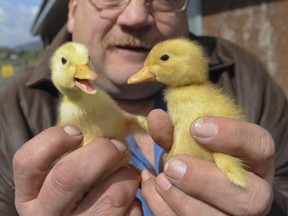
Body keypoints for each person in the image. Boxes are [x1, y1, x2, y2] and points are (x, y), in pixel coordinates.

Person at [0, 0, 287, 215]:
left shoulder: (245, 76)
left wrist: (269, 208)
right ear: (73, 10)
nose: (136, 17)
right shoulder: (11, 111)